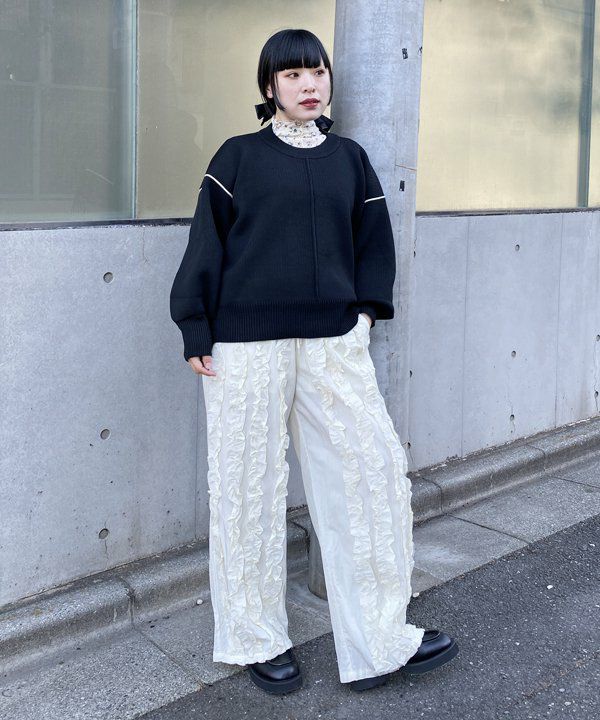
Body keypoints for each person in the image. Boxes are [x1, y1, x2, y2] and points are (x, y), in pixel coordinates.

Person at [170, 28, 459, 695]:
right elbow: (206, 244)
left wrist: (363, 317)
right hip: (244, 346)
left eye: (318, 72)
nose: (309, 84)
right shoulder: (237, 157)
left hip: (333, 342)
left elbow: (374, 245)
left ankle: (378, 641)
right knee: (247, 488)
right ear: (269, 86)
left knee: (367, 479)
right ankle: (256, 637)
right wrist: (195, 329)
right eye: (293, 74)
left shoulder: (350, 159)